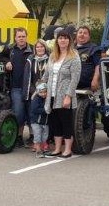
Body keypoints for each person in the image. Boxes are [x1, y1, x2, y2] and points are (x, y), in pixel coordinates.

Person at [42, 29, 81, 158]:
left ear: (69, 40)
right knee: (55, 123)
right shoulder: (53, 56)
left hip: (64, 96)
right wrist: (41, 87)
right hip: (51, 96)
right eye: (60, 38)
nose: (62, 40)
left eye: (65, 38)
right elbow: (46, 75)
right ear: (57, 41)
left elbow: (75, 78)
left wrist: (68, 96)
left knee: (66, 123)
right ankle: (57, 149)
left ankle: (67, 149)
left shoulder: (74, 56)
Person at [0, 27, 33, 147]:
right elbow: (1, 57)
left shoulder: (33, 49)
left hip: (30, 88)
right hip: (16, 87)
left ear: (26, 37)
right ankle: (18, 137)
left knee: (31, 113)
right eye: (19, 36)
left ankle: (32, 136)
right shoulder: (9, 49)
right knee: (18, 113)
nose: (21, 39)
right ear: (15, 37)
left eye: (23, 36)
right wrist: (6, 62)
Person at [22, 39, 50, 149]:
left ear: (45, 48)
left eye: (42, 47)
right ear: (35, 49)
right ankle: (37, 142)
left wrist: (46, 91)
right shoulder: (31, 60)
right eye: (37, 47)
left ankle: (46, 141)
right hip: (34, 93)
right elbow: (28, 78)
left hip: (48, 92)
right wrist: (36, 92)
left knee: (47, 117)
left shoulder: (50, 60)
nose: (40, 49)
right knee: (34, 116)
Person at [75, 25, 101, 91]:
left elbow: (98, 65)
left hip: (86, 88)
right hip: (70, 86)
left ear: (89, 36)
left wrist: (95, 80)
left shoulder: (93, 49)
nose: (82, 34)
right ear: (76, 35)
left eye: (85, 33)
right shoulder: (70, 49)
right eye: (80, 32)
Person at [30, 82, 49, 158]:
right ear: (38, 92)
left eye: (45, 92)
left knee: (44, 136)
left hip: (44, 122)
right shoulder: (36, 99)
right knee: (37, 136)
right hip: (36, 122)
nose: (43, 94)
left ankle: (43, 147)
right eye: (41, 92)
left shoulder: (47, 99)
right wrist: (45, 110)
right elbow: (34, 109)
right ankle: (38, 150)